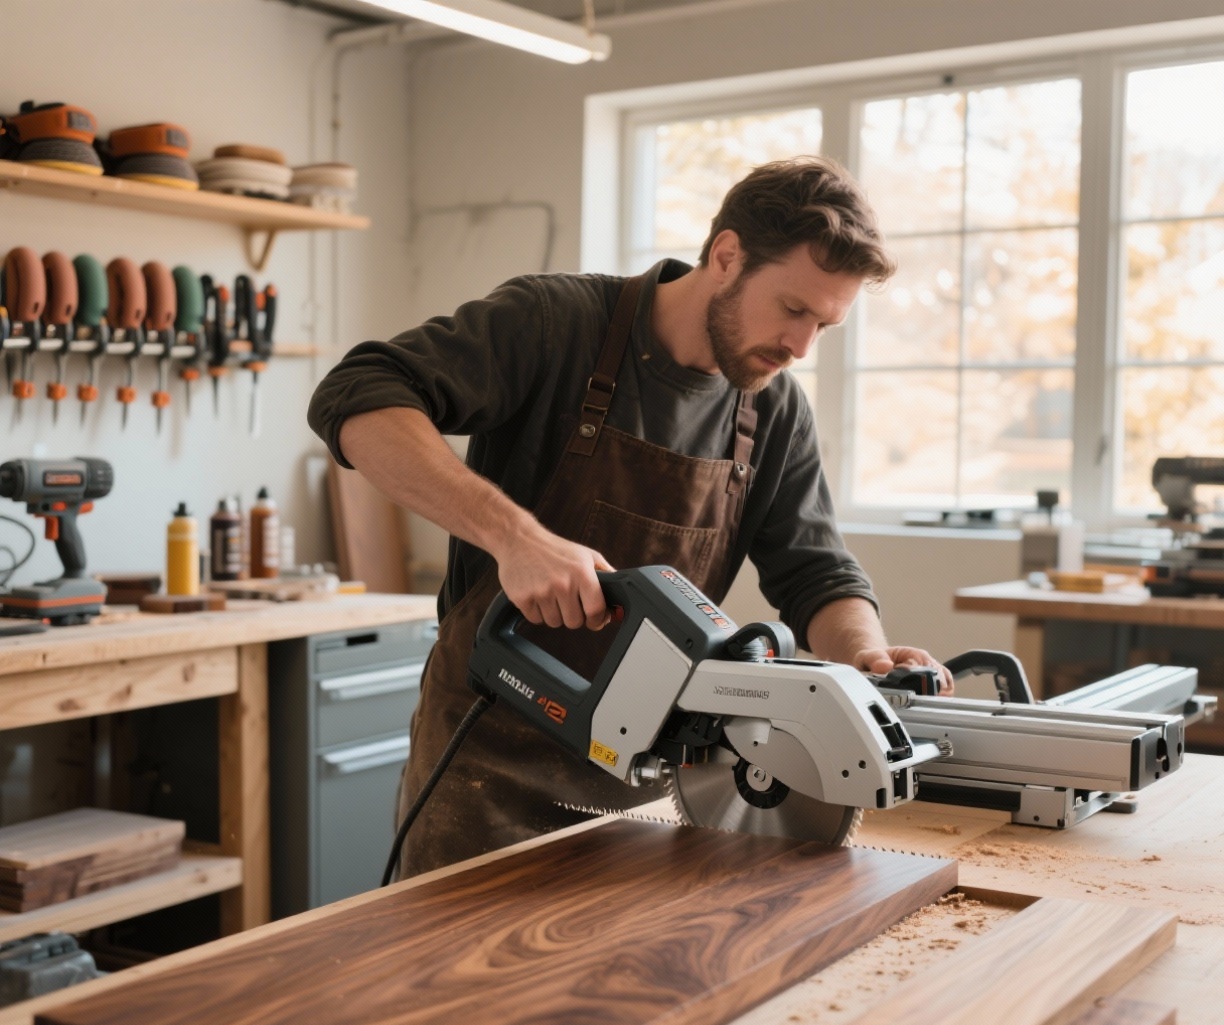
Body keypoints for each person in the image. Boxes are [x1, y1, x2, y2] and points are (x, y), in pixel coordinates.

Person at [308, 155, 952, 876]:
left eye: (825, 326)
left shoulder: (773, 408)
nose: (800, 347)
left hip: (653, 779)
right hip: (486, 761)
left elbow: (816, 572)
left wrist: (865, 658)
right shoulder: (556, 324)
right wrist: (516, 538)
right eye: (793, 309)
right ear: (726, 256)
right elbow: (357, 395)